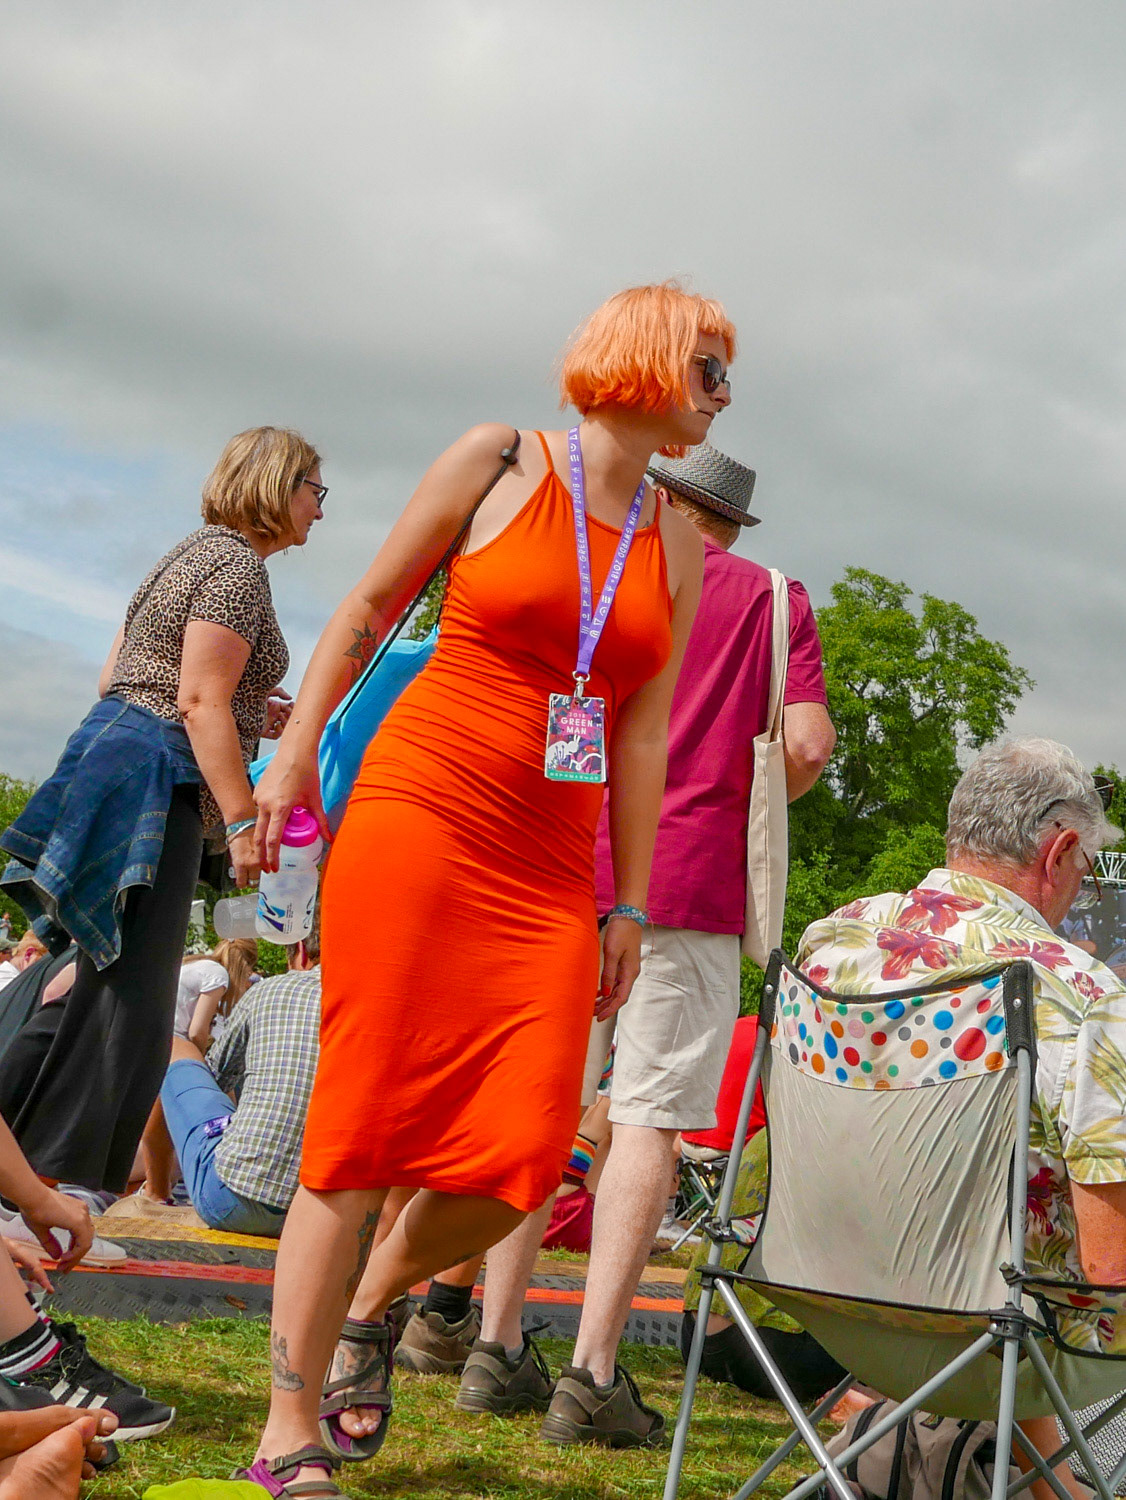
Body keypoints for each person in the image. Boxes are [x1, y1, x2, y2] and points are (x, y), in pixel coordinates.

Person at [241, 280, 726, 1494]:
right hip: (424, 809)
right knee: (355, 1138)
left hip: (551, 866)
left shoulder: (672, 538)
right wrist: (296, 753)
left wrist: (629, 901)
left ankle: (367, 1305)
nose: (725, 395)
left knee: (519, 1155)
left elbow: (645, 735)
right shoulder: (499, 458)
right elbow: (368, 604)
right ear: (647, 363)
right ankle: (283, 1430)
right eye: (710, 370)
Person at [457, 442, 836, 1445]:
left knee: (544, 1104)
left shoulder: (608, 576)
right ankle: (591, 1373)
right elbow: (803, 746)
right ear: (730, 524)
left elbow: (563, 733)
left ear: (663, 500)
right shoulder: (772, 599)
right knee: (649, 1120)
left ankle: (495, 1345)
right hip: (689, 878)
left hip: (571, 872)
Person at [797, 736, 1126, 1500]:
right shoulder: (1075, 988)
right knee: (1038, 1265)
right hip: (993, 1330)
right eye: (1082, 871)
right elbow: (1109, 1273)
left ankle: (1056, 1486)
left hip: (831, 1302)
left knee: (1011, 1235)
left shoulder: (832, 942)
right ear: (1060, 850)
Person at [0, 427, 322, 1194]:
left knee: (85, 973)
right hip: (155, 774)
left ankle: (28, 1178)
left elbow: (122, 673)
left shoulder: (184, 554)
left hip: (111, 755)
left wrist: (247, 711)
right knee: (132, 1001)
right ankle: (63, 1188)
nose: (320, 509)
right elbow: (197, 698)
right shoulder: (239, 568)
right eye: (316, 489)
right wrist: (243, 820)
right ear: (278, 488)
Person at [156, 931, 321, 1235]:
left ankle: (155, 1193)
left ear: (300, 950)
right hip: (320, 1214)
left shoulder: (267, 990)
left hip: (229, 1200)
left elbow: (210, 1059)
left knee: (171, 1044)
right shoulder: (378, 1004)